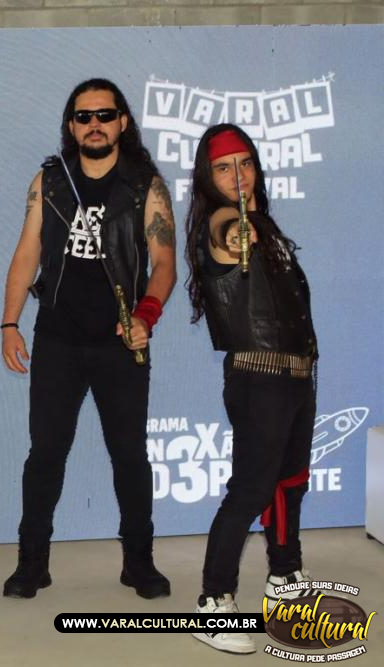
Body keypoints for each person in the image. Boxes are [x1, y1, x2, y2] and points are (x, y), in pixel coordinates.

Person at [0, 78, 176, 600]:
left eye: (104, 115)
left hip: (122, 342)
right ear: (71, 125)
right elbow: (27, 252)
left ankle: (139, 563)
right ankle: (32, 563)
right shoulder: (50, 181)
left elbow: (164, 262)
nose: (94, 124)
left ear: (122, 122)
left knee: (130, 457)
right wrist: (9, 323)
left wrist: (146, 315)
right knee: (45, 455)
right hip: (56, 338)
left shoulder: (145, 185)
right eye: (83, 116)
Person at [185, 124, 318, 654]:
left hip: (297, 375)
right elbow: (227, 233)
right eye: (223, 167)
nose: (237, 175)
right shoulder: (222, 224)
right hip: (260, 378)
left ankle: (284, 577)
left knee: (290, 483)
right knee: (250, 490)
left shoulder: (266, 224)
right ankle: (213, 601)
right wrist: (238, 231)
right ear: (208, 177)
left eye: (244, 163)